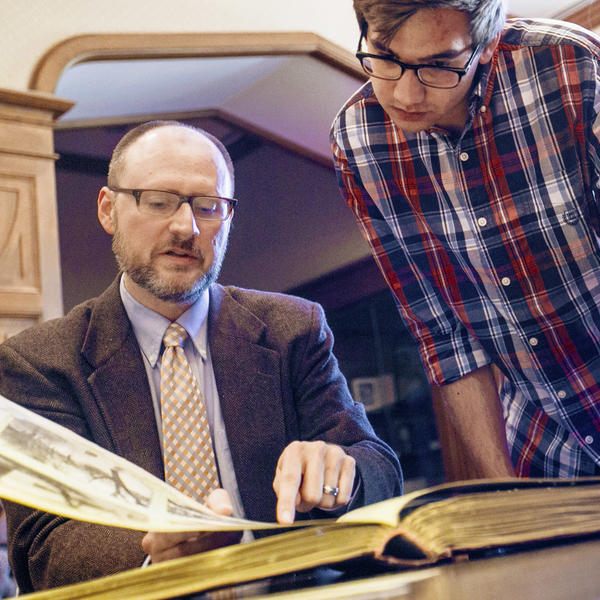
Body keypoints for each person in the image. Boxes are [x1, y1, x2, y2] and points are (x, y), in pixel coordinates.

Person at [0, 120, 402, 592]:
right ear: (109, 210)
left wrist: (342, 475)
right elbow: (44, 544)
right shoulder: (38, 361)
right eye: (158, 201)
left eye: (208, 207)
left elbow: (378, 468)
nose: (186, 227)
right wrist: (157, 554)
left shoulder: (293, 329)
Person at [331, 0, 600, 479]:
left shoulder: (569, 63)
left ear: (487, 43)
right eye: (386, 56)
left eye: (440, 65)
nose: (406, 93)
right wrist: (503, 492)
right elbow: (444, 335)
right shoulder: (357, 141)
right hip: (549, 452)